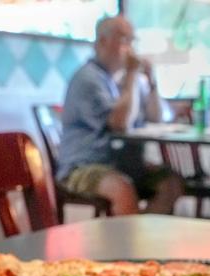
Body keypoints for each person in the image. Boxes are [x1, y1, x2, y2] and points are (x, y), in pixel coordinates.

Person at [57, 15, 183, 215]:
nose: (130, 48)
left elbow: (158, 117)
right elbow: (119, 124)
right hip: (83, 166)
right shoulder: (88, 79)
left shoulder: (121, 81)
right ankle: (127, 243)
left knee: (170, 182)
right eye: (124, 40)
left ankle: (141, 233)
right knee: (122, 187)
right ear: (102, 42)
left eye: (132, 41)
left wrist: (151, 82)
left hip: (122, 163)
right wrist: (132, 75)